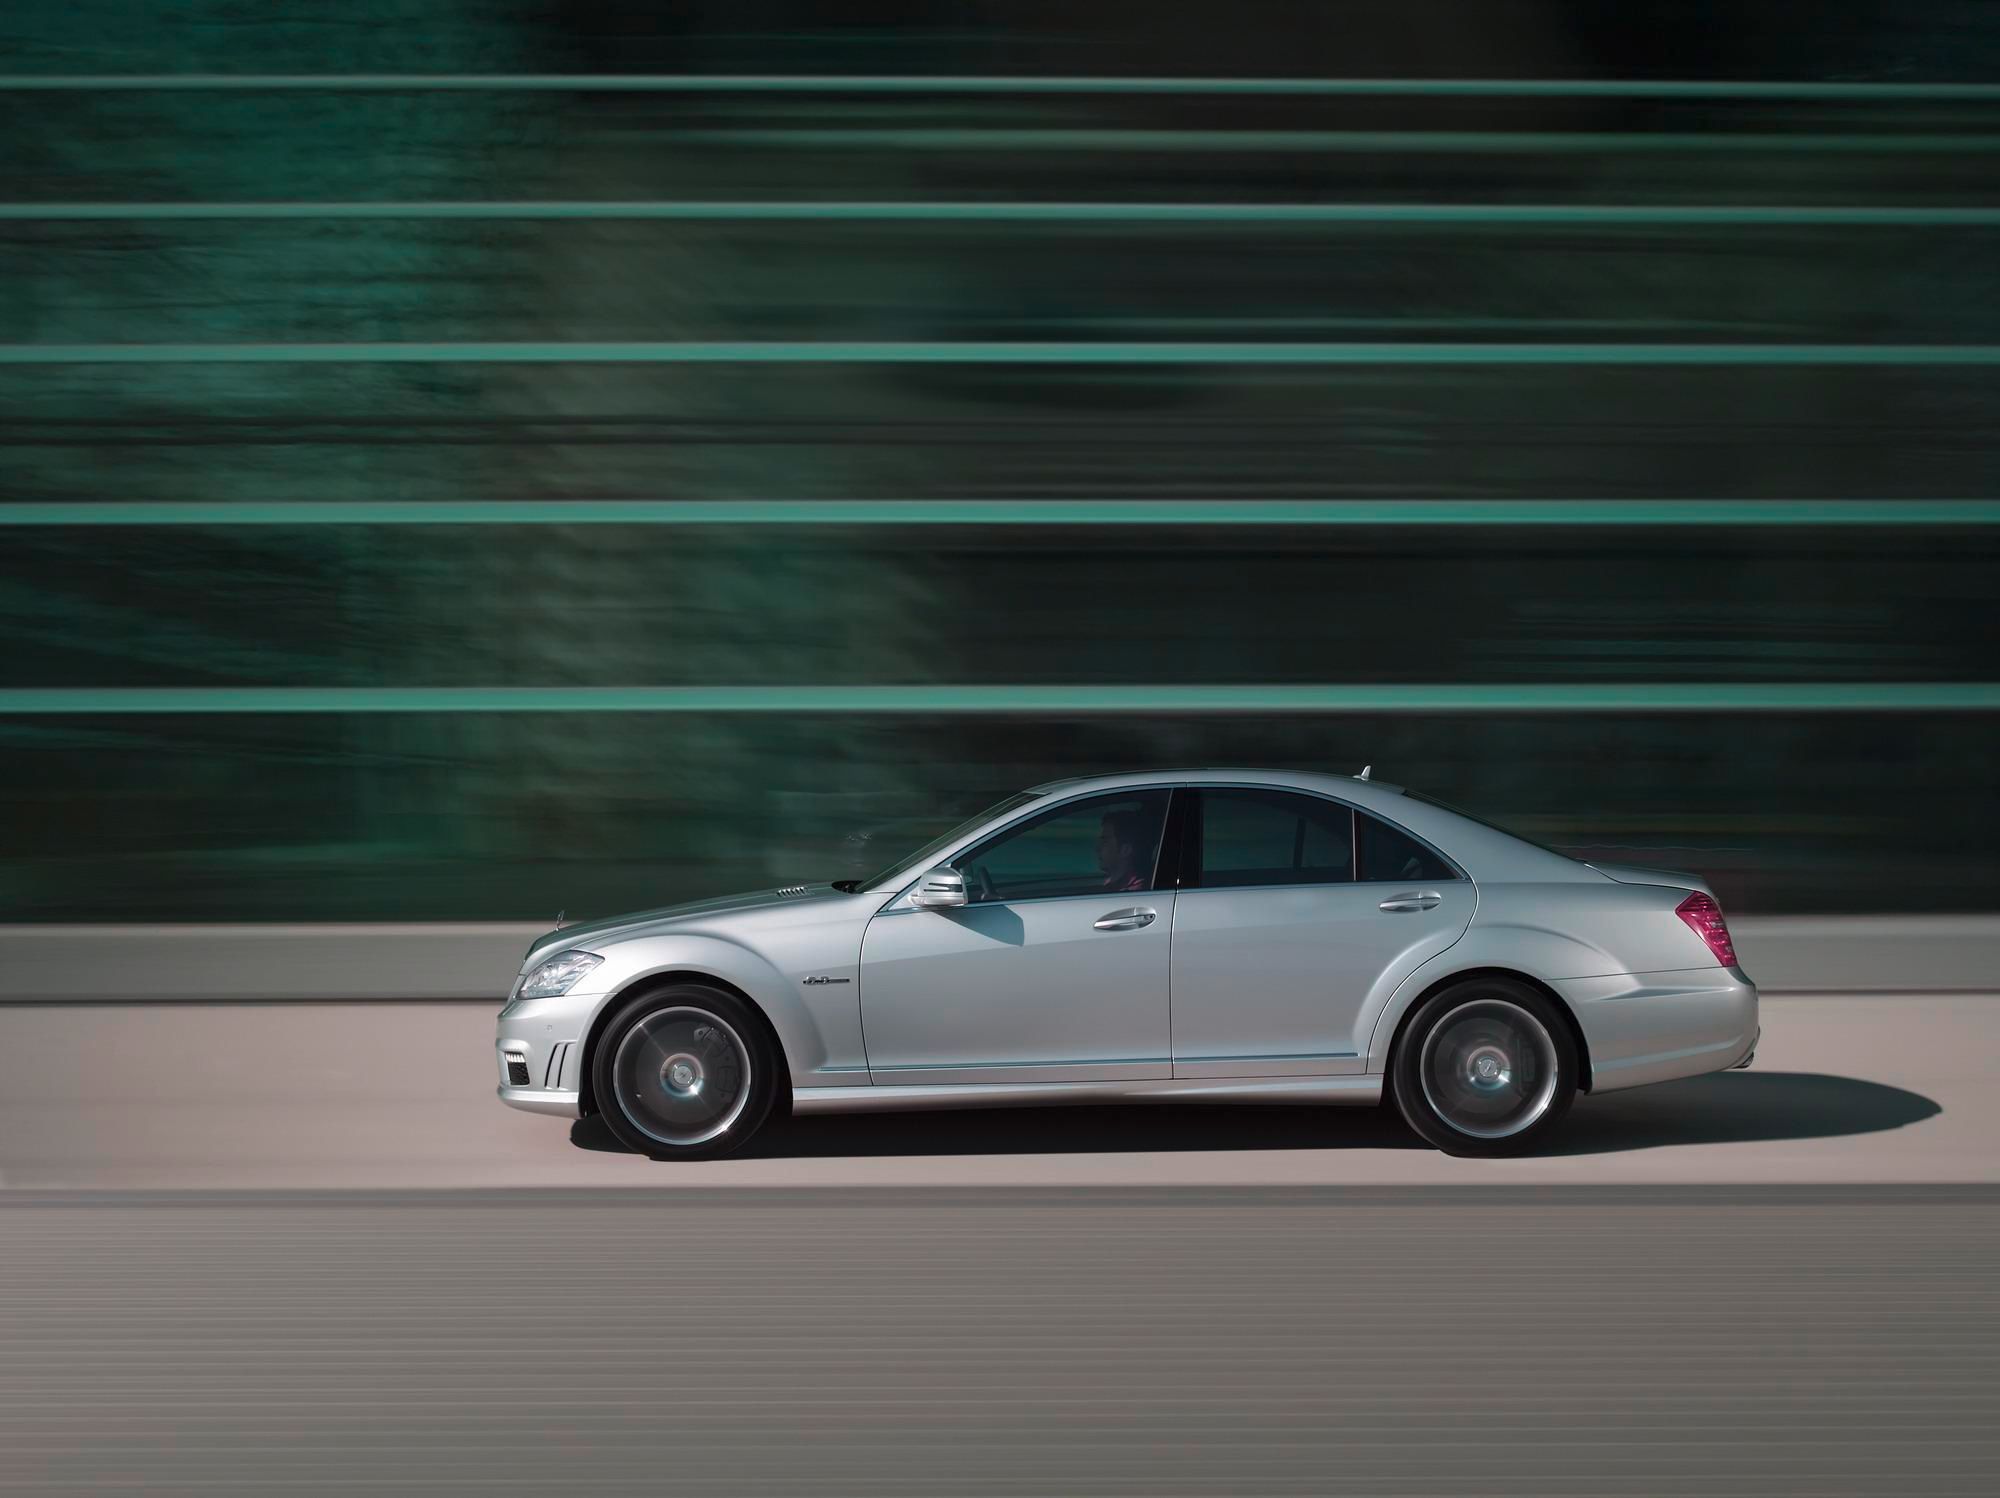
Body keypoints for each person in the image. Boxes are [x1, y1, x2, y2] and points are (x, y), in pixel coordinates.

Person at [1096, 809, 1151, 892]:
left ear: (1125, 850)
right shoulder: (1111, 883)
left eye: (1105, 841)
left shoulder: (1135, 893)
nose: (1098, 848)